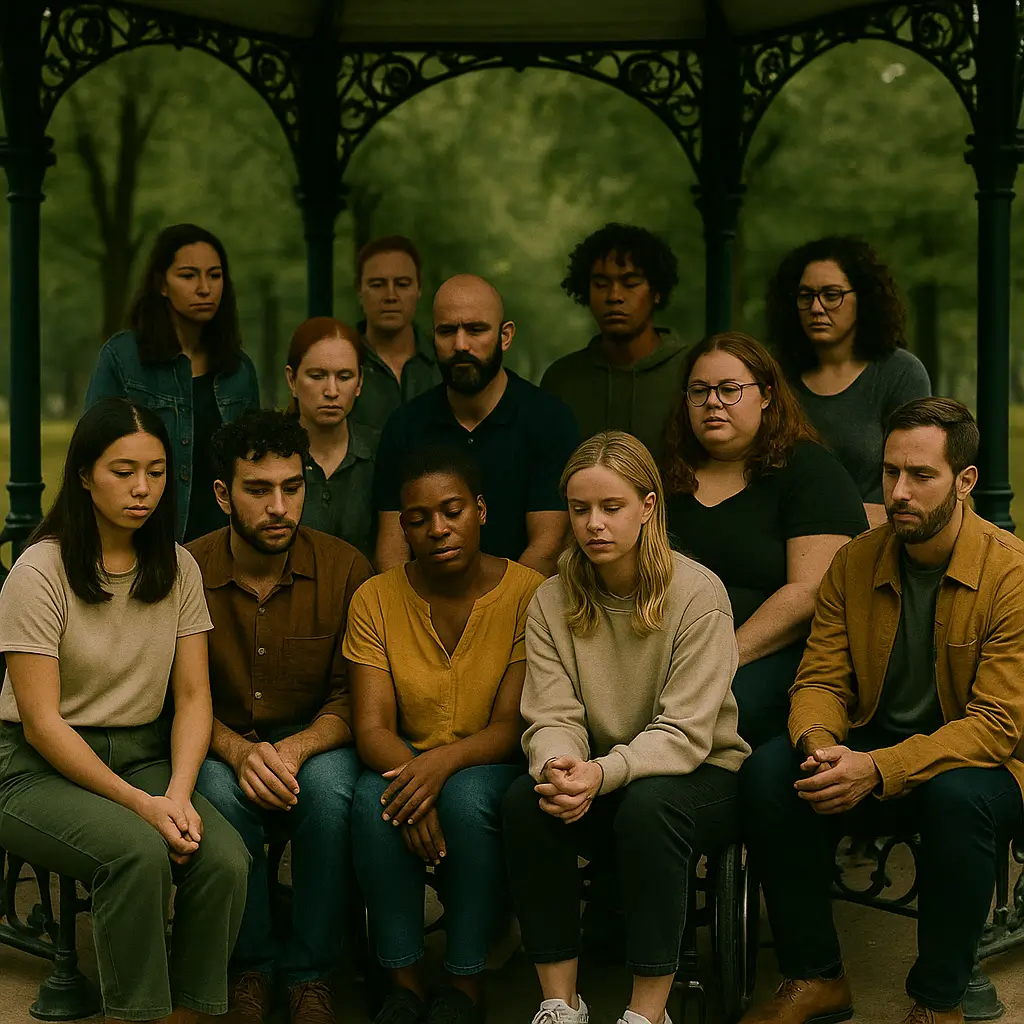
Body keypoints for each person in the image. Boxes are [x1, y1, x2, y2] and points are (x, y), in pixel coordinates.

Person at [740, 398, 1024, 1024]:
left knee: (959, 797)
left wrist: (876, 768)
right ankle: (814, 977)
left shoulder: (1012, 574)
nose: (899, 491)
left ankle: (938, 999)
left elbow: (997, 727)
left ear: (965, 480)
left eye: (921, 475)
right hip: (867, 752)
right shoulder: (856, 560)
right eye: (891, 472)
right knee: (769, 772)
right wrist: (821, 746)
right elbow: (819, 679)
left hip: (980, 766)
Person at [0, 398, 248, 1024]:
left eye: (157, 471)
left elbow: (194, 697)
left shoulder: (178, 566)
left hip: (143, 753)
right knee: (135, 852)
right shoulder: (40, 570)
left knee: (223, 857)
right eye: (123, 470)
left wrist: (181, 796)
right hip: (32, 767)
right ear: (84, 474)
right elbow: (41, 721)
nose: (143, 489)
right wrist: (146, 807)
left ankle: (189, 1015)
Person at [504, 430, 749, 1024]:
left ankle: (646, 1014)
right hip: (599, 773)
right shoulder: (551, 599)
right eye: (580, 508)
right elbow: (552, 714)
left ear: (648, 507)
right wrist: (559, 766)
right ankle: (560, 1005)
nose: (594, 524)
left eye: (611, 508)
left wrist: (602, 772)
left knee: (649, 805)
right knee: (524, 800)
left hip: (699, 774)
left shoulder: (698, 594)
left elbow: (686, 731)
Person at [345, 444, 543, 1024]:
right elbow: (372, 727)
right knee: (370, 801)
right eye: (418, 519)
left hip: (491, 762)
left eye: (452, 510)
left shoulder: (528, 594)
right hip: (399, 757)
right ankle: (403, 983)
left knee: (466, 797)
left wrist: (438, 770)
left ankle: (465, 982)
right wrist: (415, 778)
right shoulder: (376, 599)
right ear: (402, 527)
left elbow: (511, 726)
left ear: (480, 510)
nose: (437, 528)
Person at [187, 410, 374, 1024]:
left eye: (291, 488)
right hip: (219, 742)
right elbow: (175, 695)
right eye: (258, 489)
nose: (279, 507)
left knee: (329, 791)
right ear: (223, 494)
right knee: (216, 789)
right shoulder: (187, 572)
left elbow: (357, 696)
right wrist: (239, 751)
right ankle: (251, 968)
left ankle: (311, 974)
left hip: (317, 744)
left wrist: (295, 750)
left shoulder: (345, 569)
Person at [663, 332, 867, 748]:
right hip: (669, 654)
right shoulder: (667, 476)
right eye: (699, 391)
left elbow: (809, 592)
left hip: (774, 658)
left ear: (767, 396)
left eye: (730, 390)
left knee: (716, 710)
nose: (713, 402)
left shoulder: (809, 472)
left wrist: (722, 658)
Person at [373, 274, 579, 577]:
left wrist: (492, 617)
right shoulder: (405, 426)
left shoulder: (549, 420)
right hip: (422, 612)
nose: (460, 345)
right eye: (446, 331)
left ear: (505, 336)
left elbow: (548, 547)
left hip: (523, 609)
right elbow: (391, 551)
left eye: (475, 330)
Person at [85, 223, 262, 543]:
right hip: (146, 538)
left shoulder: (239, 369)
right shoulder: (123, 358)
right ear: (161, 284)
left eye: (215, 275)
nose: (204, 288)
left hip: (223, 543)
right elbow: (91, 453)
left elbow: (254, 464)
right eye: (188, 275)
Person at [767, 236, 931, 528]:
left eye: (832, 295)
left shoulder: (900, 373)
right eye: (806, 296)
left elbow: (917, 471)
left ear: (863, 299)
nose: (817, 307)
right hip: (785, 532)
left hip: (877, 533)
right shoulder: (774, 373)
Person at [541, 224, 686, 462]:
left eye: (630, 283)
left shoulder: (691, 372)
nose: (614, 296)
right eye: (600, 284)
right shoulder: (561, 380)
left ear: (656, 291)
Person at [285, 316, 379, 559]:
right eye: (317, 376)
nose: (332, 391)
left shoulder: (381, 452)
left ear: (359, 382)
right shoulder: (270, 455)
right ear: (291, 380)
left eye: (344, 377)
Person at [350, 235, 440, 431]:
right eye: (377, 285)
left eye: (402, 284)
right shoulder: (339, 362)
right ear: (359, 290)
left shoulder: (445, 362)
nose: (390, 296)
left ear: (419, 288)